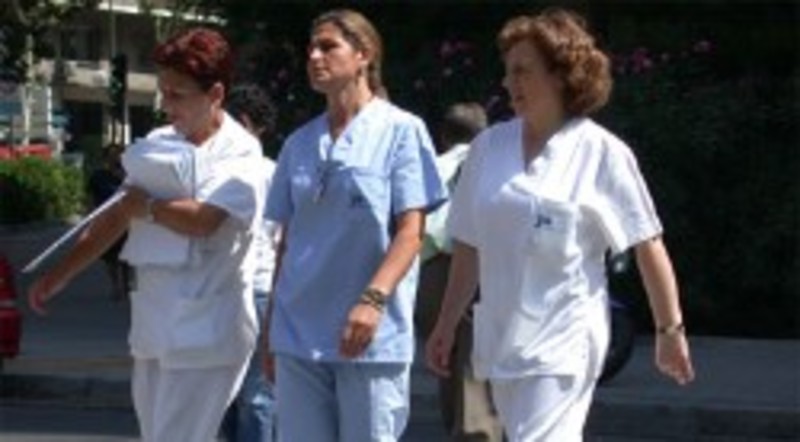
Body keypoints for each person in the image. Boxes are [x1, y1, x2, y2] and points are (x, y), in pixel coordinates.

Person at [425, 8, 695, 441]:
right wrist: (446, 325)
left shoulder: (601, 152)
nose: (508, 83)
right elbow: (469, 245)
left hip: (565, 340)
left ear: (560, 75)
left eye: (522, 71)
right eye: (507, 71)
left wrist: (670, 329)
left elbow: (648, 244)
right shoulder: (488, 148)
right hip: (501, 340)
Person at [27, 27, 269, 442]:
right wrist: (60, 275)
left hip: (208, 332)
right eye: (163, 93)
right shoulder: (159, 143)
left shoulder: (241, 152)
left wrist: (149, 208)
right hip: (154, 325)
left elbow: (204, 219)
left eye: (178, 95)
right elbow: (115, 215)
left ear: (215, 94)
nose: (166, 106)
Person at [262, 8, 446, 442]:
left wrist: (373, 299)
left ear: (363, 54)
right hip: (296, 333)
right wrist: (270, 329)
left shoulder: (401, 131)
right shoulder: (298, 143)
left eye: (328, 46)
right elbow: (288, 242)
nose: (314, 56)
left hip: (368, 336)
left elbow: (410, 232)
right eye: (311, 48)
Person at [415, 102, 504, 441]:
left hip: (428, 271)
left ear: (443, 136)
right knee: (475, 366)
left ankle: (456, 426)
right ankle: (473, 433)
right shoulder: (491, 161)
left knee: (445, 361)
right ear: (484, 133)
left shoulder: (431, 166)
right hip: (472, 266)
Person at [220, 83, 279, 442]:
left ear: (241, 122)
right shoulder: (275, 171)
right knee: (256, 394)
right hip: (262, 288)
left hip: (235, 288)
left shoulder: (223, 170)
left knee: (228, 393)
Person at [86, 143, 131, 301]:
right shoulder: (98, 176)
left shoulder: (129, 175)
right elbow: (91, 197)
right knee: (110, 257)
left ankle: (126, 284)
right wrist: (91, 217)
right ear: (106, 158)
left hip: (125, 219)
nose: (114, 159)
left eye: (117, 155)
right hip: (105, 219)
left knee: (126, 255)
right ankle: (116, 286)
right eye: (111, 156)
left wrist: (122, 176)